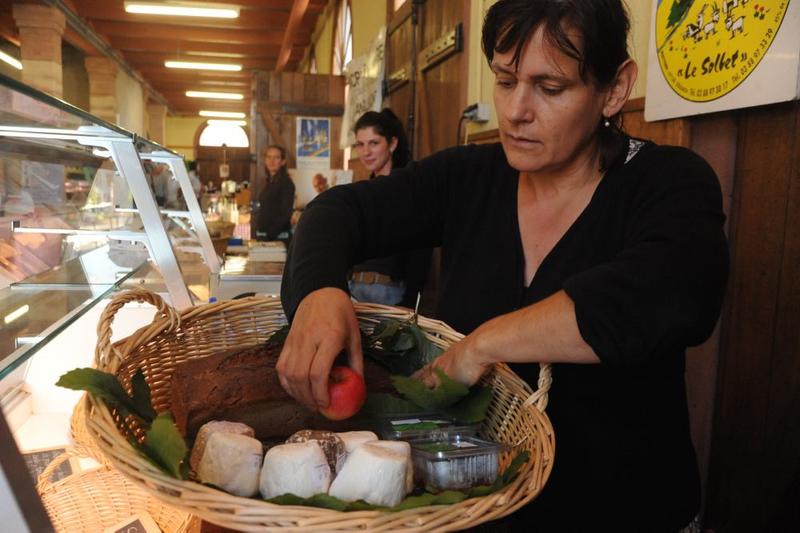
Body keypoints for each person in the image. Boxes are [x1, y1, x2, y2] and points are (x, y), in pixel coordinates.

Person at [277, 0, 729, 530]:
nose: (516, 110)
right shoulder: (469, 178)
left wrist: (482, 346)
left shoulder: (669, 181)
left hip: (627, 509)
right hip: (478, 513)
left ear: (614, 88)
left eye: (551, 87)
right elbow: (337, 211)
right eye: (505, 79)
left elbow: (664, 294)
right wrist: (318, 293)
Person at [345, 109, 432, 308]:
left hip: (390, 294)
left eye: (374, 143)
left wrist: (409, 301)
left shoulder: (408, 189)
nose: (366, 152)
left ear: (392, 144)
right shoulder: (364, 191)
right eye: (361, 144)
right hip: (353, 290)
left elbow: (421, 250)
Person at [256, 144, 295, 242]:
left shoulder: (286, 183)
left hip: (278, 238)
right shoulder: (271, 181)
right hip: (266, 236)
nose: (271, 161)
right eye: (268, 157)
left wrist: (269, 234)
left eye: (276, 157)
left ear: (283, 161)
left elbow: (286, 214)